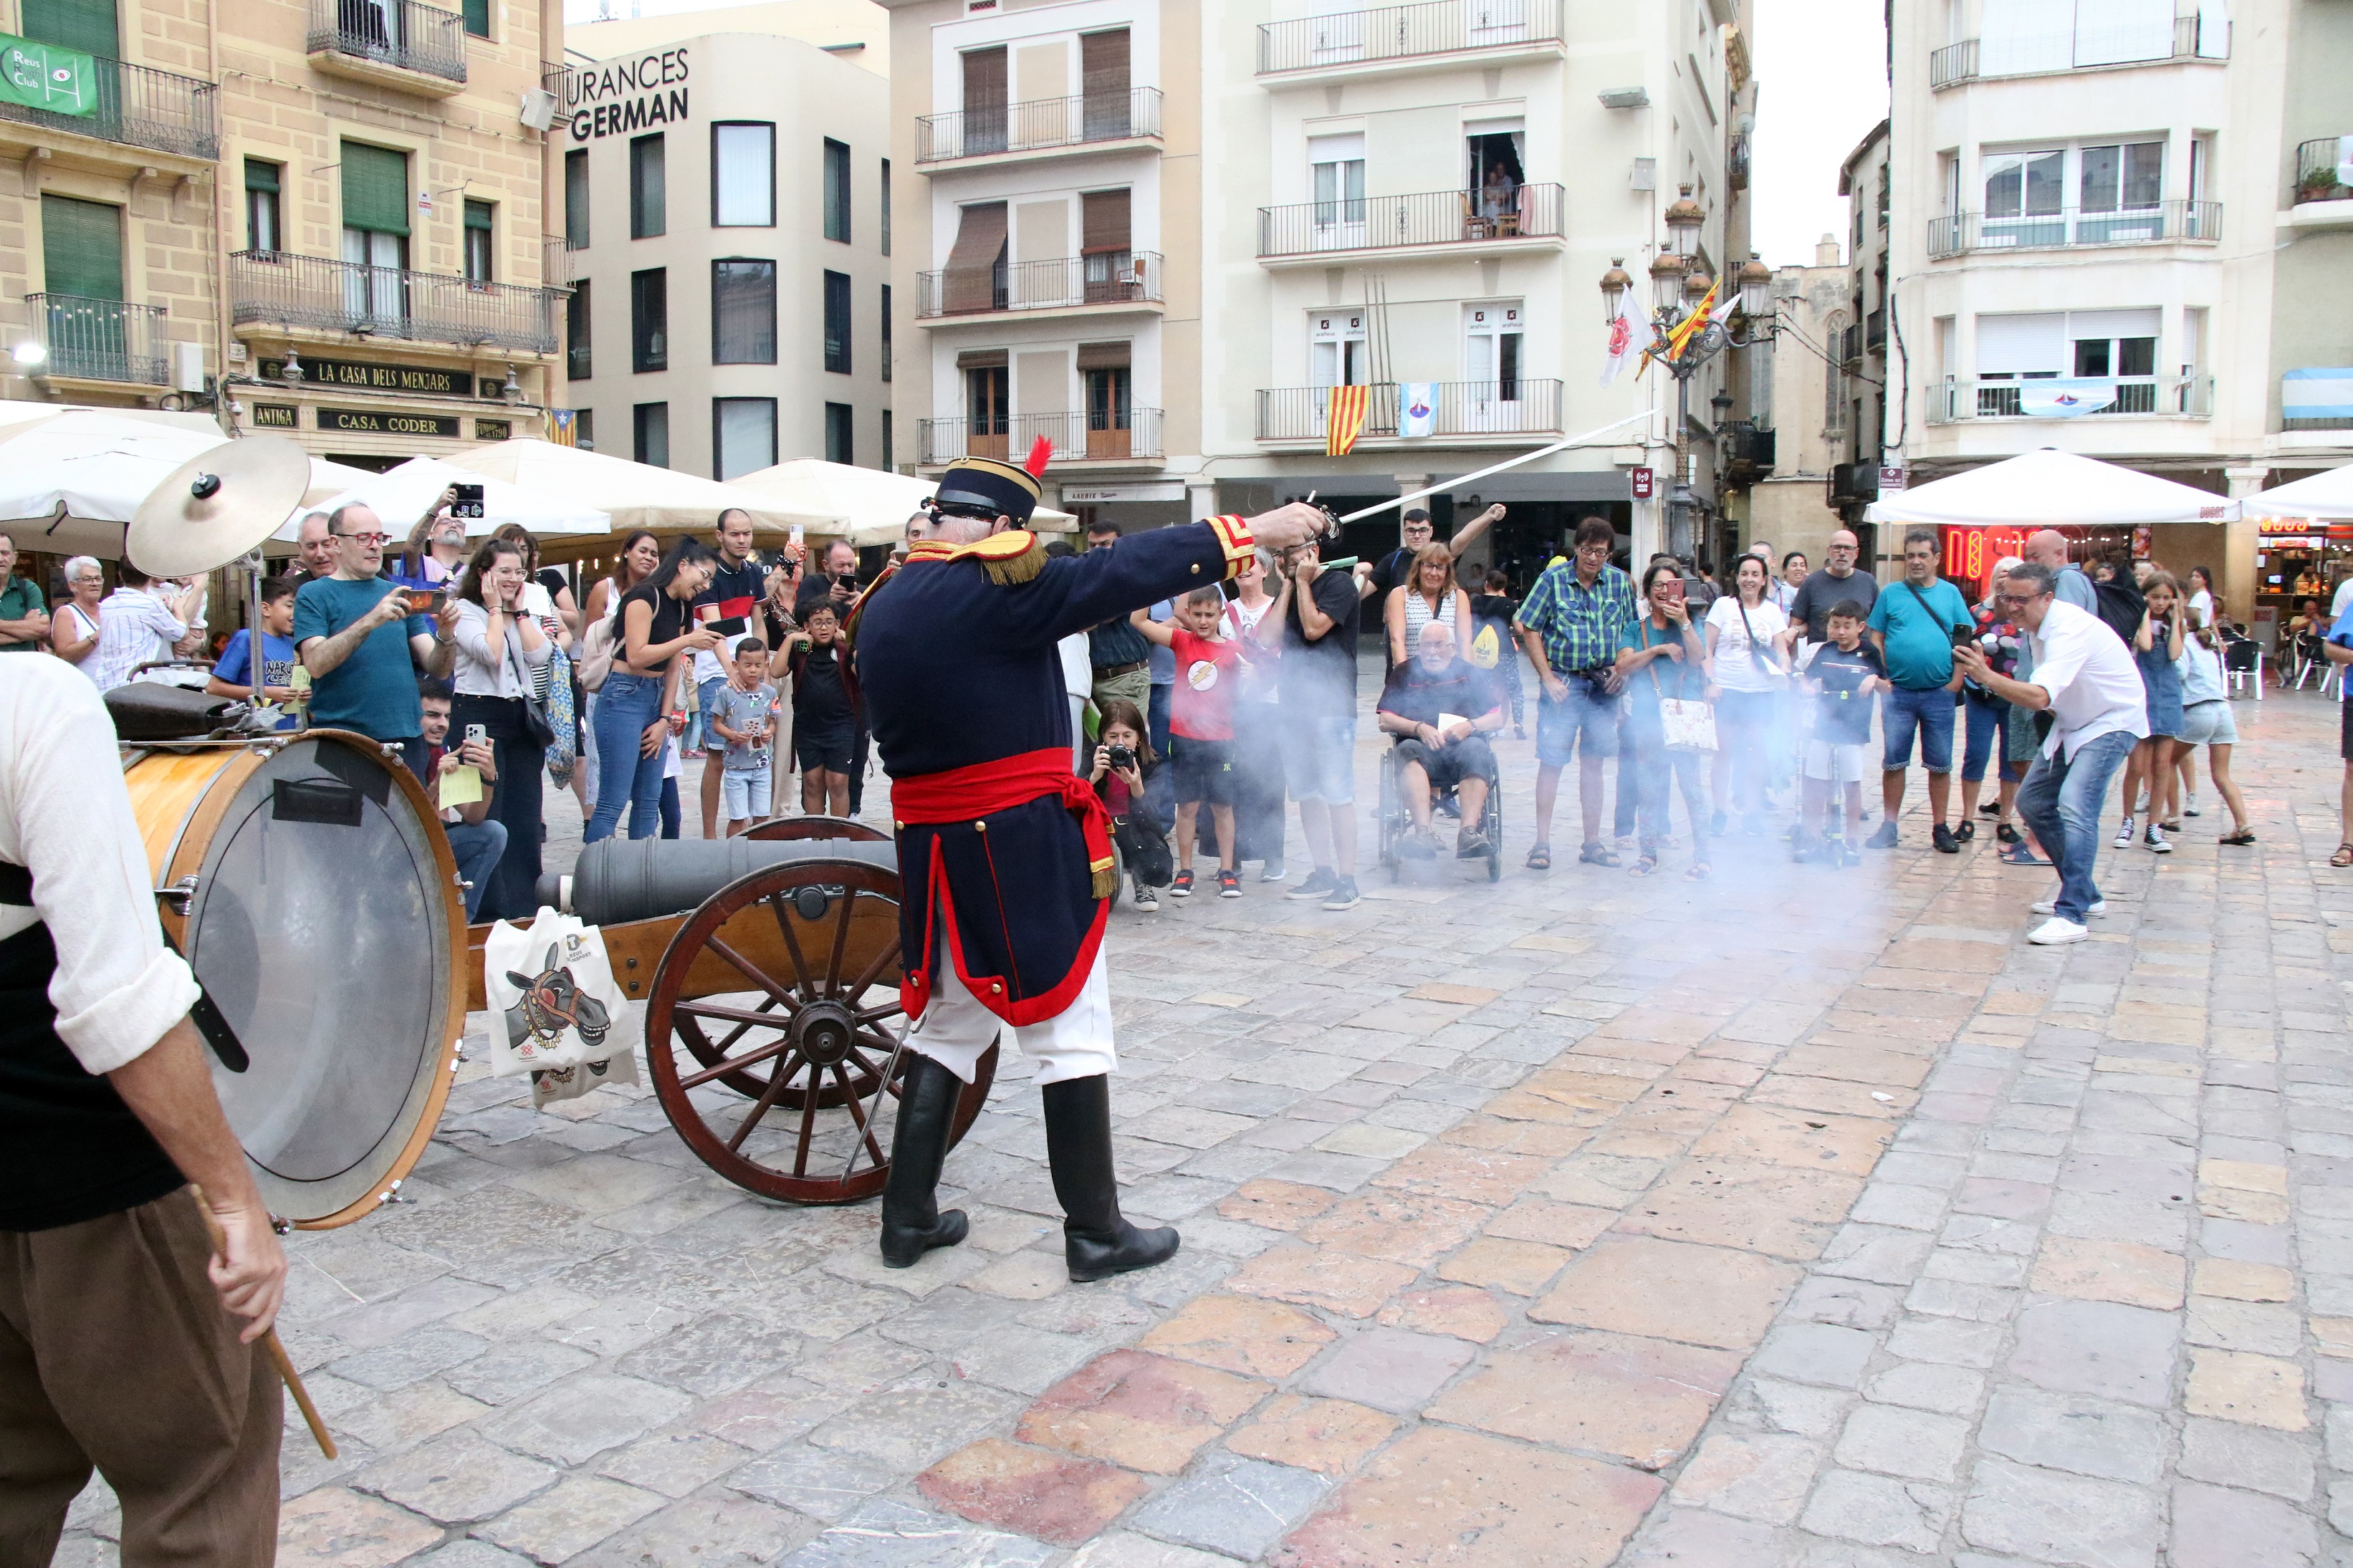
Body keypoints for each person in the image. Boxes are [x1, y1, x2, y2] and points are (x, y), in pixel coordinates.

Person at [854, 447, 1319, 1282]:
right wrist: (1250, 531)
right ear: (999, 530)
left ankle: (906, 1217)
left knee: (949, 1028)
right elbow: (1116, 571)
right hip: (1015, 844)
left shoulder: (885, 600)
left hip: (936, 849)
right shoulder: (985, 587)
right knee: (1071, 1032)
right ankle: (1095, 1232)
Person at [0, 653, 289, 1561]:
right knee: (203, 1477)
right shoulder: (33, 700)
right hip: (89, 1178)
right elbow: (116, 993)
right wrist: (236, 1200)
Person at [1954, 562, 2147, 942]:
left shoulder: (2067, 628)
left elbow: (2040, 696)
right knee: (2034, 802)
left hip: (2112, 720)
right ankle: (2086, 894)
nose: (2011, 607)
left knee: (2076, 805)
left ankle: (2073, 914)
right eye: (2007, 597)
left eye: (2021, 600)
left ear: (2047, 598)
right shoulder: (2035, 626)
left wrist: (1986, 676)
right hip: (2076, 721)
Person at [294, 503, 454, 781]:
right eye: (363, 538)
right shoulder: (313, 594)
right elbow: (316, 664)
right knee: (352, 824)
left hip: (407, 736)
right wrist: (370, 620)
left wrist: (446, 634)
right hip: (346, 739)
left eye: (380, 538)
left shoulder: (397, 592)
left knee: (406, 825)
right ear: (335, 543)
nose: (375, 546)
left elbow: (437, 667)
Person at [1515, 517, 1637, 870]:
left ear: (1609, 554)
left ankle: (1593, 842)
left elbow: (1631, 632)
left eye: (1600, 552)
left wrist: (1622, 669)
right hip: (1565, 683)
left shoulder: (1619, 583)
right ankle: (1541, 843)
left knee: (1595, 763)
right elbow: (1529, 626)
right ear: (1576, 549)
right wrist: (1547, 676)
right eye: (1587, 550)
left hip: (1604, 683)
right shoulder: (1552, 580)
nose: (1593, 558)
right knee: (1551, 760)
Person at [587, 539, 719, 843]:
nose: (706, 585)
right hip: (623, 695)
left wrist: (664, 719)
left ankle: (640, 880)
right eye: (705, 575)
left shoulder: (684, 607)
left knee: (649, 801)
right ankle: (593, 879)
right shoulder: (643, 597)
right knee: (613, 800)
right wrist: (687, 641)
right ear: (683, 565)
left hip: (656, 696)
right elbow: (636, 655)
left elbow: (673, 667)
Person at [447, 538, 551, 920]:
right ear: (483, 574)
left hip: (519, 714)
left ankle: (525, 904)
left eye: (518, 571)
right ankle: (491, 907)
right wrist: (494, 610)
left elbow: (541, 655)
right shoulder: (464, 610)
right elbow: (489, 654)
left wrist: (519, 613)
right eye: (504, 571)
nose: (512, 579)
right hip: (478, 711)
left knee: (526, 811)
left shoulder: (517, 611)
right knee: (491, 808)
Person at [1260, 532, 1365, 910]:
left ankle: (1348, 879)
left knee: (1338, 795)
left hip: (1332, 708)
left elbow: (1314, 628)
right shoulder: (1289, 589)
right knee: (1306, 795)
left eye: (1293, 553)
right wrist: (1287, 585)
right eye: (1281, 554)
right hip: (1294, 708)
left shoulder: (1339, 584)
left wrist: (1303, 583)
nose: (1286, 559)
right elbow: (1267, 638)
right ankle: (1322, 871)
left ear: (1313, 552)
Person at [1866, 527, 1975, 852]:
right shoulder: (1891, 594)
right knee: (1894, 762)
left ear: (1936, 559)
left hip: (1939, 693)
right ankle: (1889, 826)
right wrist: (1883, 676)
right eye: (1910, 555)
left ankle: (1940, 827)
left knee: (1940, 764)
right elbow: (1876, 638)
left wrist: (1956, 681)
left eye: (1922, 555)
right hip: (1898, 694)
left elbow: (1963, 639)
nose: (1915, 562)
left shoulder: (1951, 594)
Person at [1134, 586, 1243, 898]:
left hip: (1222, 738)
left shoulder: (1234, 650)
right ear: (1186, 614)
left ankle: (1227, 870)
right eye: (1197, 615)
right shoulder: (1181, 640)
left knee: (1223, 806)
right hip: (1184, 737)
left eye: (1210, 614)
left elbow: (1258, 680)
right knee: (1188, 806)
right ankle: (1185, 871)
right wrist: (1160, 577)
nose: (1204, 621)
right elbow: (1139, 621)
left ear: (1221, 614)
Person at [1614, 561, 1710, 880]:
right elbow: (1624, 666)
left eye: (1671, 586)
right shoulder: (1635, 628)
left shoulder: (1691, 622)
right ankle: (1647, 854)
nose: (1663, 592)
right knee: (1648, 788)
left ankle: (1703, 857)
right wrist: (1657, 649)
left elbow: (1698, 659)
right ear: (1648, 591)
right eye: (1657, 585)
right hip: (1647, 718)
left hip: (1683, 717)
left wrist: (1683, 624)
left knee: (1692, 788)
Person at [1379, 620, 1503, 857]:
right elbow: (1385, 719)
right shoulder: (1404, 672)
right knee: (1408, 750)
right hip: (1421, 750)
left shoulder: (1469, 673)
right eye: (1426, 646)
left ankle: (1468, 832)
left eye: (1438, 645)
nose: (1432, 652)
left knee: (1477, 748)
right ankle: (1423, 832)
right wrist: (1418, 728)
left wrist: (1470, 725)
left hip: (1462, 749)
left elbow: (1497, 718)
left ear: (1452, 647)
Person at [1704, 554, 1795, 836]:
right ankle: (1720, 810)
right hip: (1728, 689)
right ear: (1737, 577)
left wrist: (1784, 668)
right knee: (1724, 752)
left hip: (1760, 692)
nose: (1749, 580)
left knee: (1756, 753)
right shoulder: (1723, 606)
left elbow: (1782, 650)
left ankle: (1752, 811)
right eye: (1744, 573)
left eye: (1756, 574)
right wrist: (1710, 681)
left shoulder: (1771, 612)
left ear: (1765, 580)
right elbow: (1707, 648)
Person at [691, 510, 767, 839]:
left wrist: (761, 667)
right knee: (718, 755)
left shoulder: (752, 572)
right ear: (719, 535)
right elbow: (713, 626)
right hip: (716, 674)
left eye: (746, 533)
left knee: (753, 750)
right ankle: (710, 836)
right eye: (735, 534)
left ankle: (751, 829)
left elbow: (758, 621)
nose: (742, 539)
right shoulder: (709, 574)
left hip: (750, 672)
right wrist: (729, 672)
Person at [578, 530, 663, 822]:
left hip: (652, 689)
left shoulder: (659, 593)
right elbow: (590, 639)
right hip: (612, 685)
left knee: (647, 793)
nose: (649, 557)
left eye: (654, 553)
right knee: (608, 784)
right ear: (627, 552)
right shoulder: (607, 589)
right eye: (643, 550)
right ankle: (597, 839)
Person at [1796, 600, 1886, 864]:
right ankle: (1812, 838)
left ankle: (1851, 841)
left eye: (1847, 626)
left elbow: (1888, 686)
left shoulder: (1869, 653)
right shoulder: (1825, 651)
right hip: (1823, 728)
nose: (1841, 632)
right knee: (1815, 782)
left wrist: (1873, 680)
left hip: (1852, 730)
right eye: (1836, 626)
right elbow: (1805, 677)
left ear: (1860, 627)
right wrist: (1806, 686)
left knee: (1851, 784)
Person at [419, 678, 509, 921]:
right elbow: (410, 821)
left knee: (494, 833)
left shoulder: (442, 752)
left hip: (435, 844)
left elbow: (473, 816)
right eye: (432, 715)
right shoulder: (406, 750)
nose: (442, 724)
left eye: (447, 717)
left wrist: (489, 777)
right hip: (406, 849)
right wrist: (437, 782)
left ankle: (461, 923)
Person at [1222, 549, 1287, 882]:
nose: (1244, 570)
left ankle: (1273, 856)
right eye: (1239, 565)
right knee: (1234, 782)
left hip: (1271, 704)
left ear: (1265, 570)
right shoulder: (1224, 610)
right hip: (1233, 707)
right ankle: (1232, 858)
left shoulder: (1280, 606)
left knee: (1271, 782)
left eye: (1252, 563)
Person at [2117, 569, 2185, 855]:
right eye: (2155, 597)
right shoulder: (2138, 620)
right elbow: (2145, 645)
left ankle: (2154, 826)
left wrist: (2177, 618)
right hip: (2142, 692)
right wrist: (2143, 613)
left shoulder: (2174, 623)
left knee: (2162, 765)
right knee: (2137, 765)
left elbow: (2174, 654)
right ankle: (2128, 820)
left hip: (2168, 693)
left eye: (2166, 598)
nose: (2160, 603)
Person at [1959, 559, 2028, 844]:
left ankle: (2006, 820)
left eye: (2012, 576)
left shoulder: (2026, 616)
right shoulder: (1977, 612)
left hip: (2015, 696)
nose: (2005, 580)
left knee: (2011, 759)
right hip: (1981, 694)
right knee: (1976, 754)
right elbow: (1962, 650)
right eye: (2001, 574)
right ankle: (1967, 819)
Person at [2176, 605, 2253, 847]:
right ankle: (2243, 824)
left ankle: (2167, 817)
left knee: (2165, 761)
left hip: (2199, 708)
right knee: (2222, 774)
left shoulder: (2182, 644)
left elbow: (2181, 673)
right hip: (2222, 709)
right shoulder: (2206, 645)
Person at [785, 600, 859, 816]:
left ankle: (838, 836)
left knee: (837, 782)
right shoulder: (803, 647)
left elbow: (863, 673)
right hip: (807, 726)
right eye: (817, 622)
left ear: (837, 624)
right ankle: (816, 836)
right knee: (812, 782)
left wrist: (853, 643)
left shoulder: (844, 649)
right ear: (807, 626)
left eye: (829, 622)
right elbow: (777, 671)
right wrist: (791, 638)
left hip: (840, 725)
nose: (824, 628)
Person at [1091, 700, 1165, 910]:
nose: (1120, 743)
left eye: (1127, 736)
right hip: (1101, 823)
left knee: (1143, 832)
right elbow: (1076, 796)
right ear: (1103, 737)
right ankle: (1100, 886)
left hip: (1133, 825)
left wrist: (1137, 785)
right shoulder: (1095, 755)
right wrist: (1094, 776)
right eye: (1113, 737)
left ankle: (1143, 879)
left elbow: (1153, 813)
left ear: (1139, 737)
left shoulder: (1151, 761)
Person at [87, 563, 203, 694]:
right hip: (136, 683)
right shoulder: (151, 604)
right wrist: (178, 607)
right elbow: (180, 633)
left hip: (106, 683)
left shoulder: (107, 604)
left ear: (120, 575)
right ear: (149, 576)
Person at [206, 575, 301, 728]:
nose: (295, 613)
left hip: (289, 731)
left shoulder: (292, 644)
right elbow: (214, 687)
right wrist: (266, 692)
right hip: (255, 734)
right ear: (265, 608)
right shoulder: (246, 638)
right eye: (289, 606)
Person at [1082, 520, 1155, 721]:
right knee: (1100, 748)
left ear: (1120, 544)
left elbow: (1101, 614)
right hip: (1092, 680)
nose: (1097, 551)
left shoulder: (1131, 574)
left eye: (1104, 544)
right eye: (1092, 546)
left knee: (1129, 744)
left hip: (1125, 679)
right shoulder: (1088, 575)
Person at [706, 637, 780, 834]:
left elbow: (773, 721)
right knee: (738, 818)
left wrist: (768, 733)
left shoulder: (770, 693)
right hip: (736, 765)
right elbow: (716, 724)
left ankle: (760, 855)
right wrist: (732, 735)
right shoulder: (726, 692)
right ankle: (734, 853)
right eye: (747, 665)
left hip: (762, 764)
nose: (753, 670)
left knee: (763, 817)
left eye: (758, 665)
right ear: (736, 665)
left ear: (766, 665)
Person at [1384, 544, 1474, 669]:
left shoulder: (1459, 597)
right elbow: (1397, 640)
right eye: (1429, 566)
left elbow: (1465, 641)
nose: (1433, 573)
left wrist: (1467, 676)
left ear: (1447, 572)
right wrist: (1403, 676)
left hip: (1450, 677)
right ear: (1419, 567)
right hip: (1413, 674)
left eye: (1440, 567)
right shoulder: (1400, 595)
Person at [1787, 529, 1878, 648]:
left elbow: (1878, 628)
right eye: (1837, 548)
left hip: (1860, 660)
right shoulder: (1812, 583)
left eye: (1848, 548)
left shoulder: (1868, 582)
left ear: (1856, 553)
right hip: (1821, 658)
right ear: (1828, 551)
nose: (1842, 553)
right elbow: (1794, 627)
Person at [1468, 569, 1524, 738]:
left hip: (1481, 652)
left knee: (1484, 687)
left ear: (1487, 584)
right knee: (1513, 688)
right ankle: (1518, 723)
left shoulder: (1476, 601)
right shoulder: (1510, 605)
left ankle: (1487, 724)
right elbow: (1520, 630)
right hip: (1505, 651)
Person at [48, 559, 103, 679]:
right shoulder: (66, 613)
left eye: (98, 579)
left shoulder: (107, 610)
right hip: (83, 687)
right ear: (73, 585)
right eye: (88, 579)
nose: (95, 583)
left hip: (112, 688)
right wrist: (97, 636)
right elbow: (64, 655)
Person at [2022, 529, 2097, 614]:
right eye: (2028, 557)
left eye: (2035, 557)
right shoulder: (2067, 577)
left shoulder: (2068, 577)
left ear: (2058, 555)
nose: (2030, 562)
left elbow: (2065, 621)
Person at [0, 534, 47, 653]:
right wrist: (24, 631)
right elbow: (35, 631)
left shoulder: (28, 588)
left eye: (4, 553)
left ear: (15, 558)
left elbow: (43, 628)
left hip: (23, 670)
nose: (0, 559)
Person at [285, 511, 339, 583]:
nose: (320, 554)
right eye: (311, 547)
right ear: (300, 547)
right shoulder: (292, 590)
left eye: (326, 544)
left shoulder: (357, 583)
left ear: (339, 543)